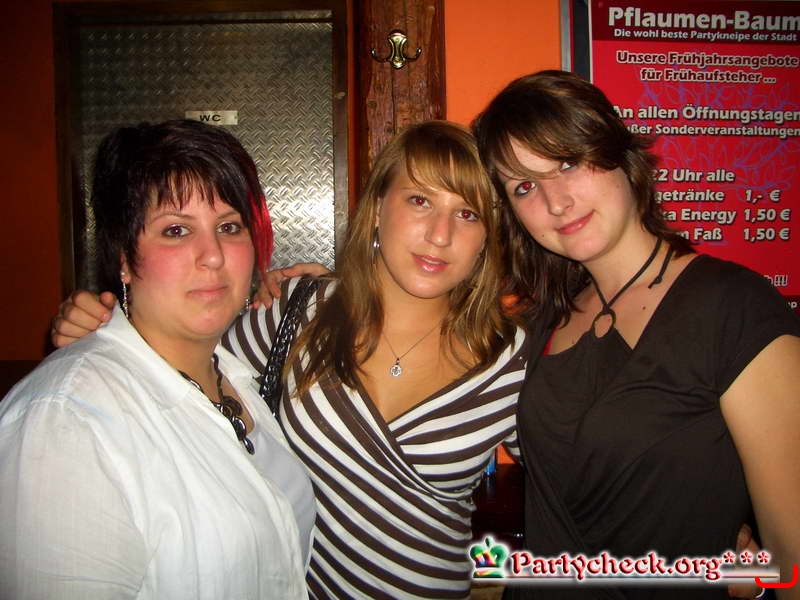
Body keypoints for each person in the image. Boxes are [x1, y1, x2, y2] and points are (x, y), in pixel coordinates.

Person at [48, 120, 530, 599]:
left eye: (468, 213)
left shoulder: (511, 359)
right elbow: (169, 354)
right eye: (420, 200)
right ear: (378, 207)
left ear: (488, 236)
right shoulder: (300, 311)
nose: (441, 234)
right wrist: (100, 322)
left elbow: (563, 485)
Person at [472, 70, 800, 599]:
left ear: (620, 155)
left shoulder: (732, 306)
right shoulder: (545, 319)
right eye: (524, 187)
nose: (555, 202)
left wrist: (752, 579)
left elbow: (791, 548)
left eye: (567, 163)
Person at [0, 120, 314, 599]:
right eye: (176, 230)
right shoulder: (66, 423)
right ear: (124, 259)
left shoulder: (236, 374)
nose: (213, 256)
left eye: (229, 227)